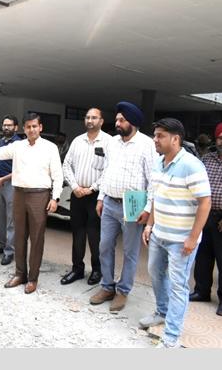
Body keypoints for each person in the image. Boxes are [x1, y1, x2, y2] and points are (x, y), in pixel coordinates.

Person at [0, 112, 63, 294]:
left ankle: (33, 278)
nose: (32, 129)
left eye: (35, 126)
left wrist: (54, 198)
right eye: (28, 127)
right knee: (19, 236)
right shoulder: (17, 146)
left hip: (39, 196)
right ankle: (20, 273)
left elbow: (58, 175)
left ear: (40, 127)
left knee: (36, 239)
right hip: (19, 193)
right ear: (24, 128)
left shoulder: (50, 148)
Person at [140, 118, 211, 348]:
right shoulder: (158, 163)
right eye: (155, 135)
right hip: (159, 234)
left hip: (181, 241)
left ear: (175, 139)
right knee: (155, 273)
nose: (155, 140)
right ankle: (161, 311)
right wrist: (150, 225)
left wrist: (192, 238)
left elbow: (205, 202)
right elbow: (157, 197)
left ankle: (171, 338)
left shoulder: (191, 165)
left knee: (177, 285)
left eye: (160, 135)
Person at [89, 101, 157, 312]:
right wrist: (101, 198)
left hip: (133, 204)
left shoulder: (146, 145)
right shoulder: (112, 143)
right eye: (117, 119)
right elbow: (106, 171)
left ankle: (123, 291)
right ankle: (107, 286)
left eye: (122, 120)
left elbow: (153, 180)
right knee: (104, 246)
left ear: (133, 123)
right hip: (110, 201)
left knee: (130, 252)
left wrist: (148, 208)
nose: (117, 123)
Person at [61, 108, 110, 286]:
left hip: (96, 196)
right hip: (77, 194)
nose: (90, 120)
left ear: (101, 121)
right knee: (77, 233)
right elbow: (67, 165)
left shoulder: (108, 142)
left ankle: (97, 270)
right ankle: (77, 269)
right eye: (88, 117)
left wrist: (92, 188)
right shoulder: (77, 141)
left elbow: (109, 170)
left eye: (94, 117)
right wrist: (74, 186)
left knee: (94, 235)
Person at [189, 122, 222, 316]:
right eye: (219, 138)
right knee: (202, 256)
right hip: (205, 214)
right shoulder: (207, 159)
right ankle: (201, 291)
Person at [0, 115, 21, 265]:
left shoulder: (20, 144)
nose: (6, 128)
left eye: (9, 125)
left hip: (12, 185)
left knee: (11, 220)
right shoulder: (1, 142)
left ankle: (9, 251)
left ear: (16, 127)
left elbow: (21, 169)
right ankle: (1, 245)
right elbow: (0, 161)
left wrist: (3, 179)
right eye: (4, 125)